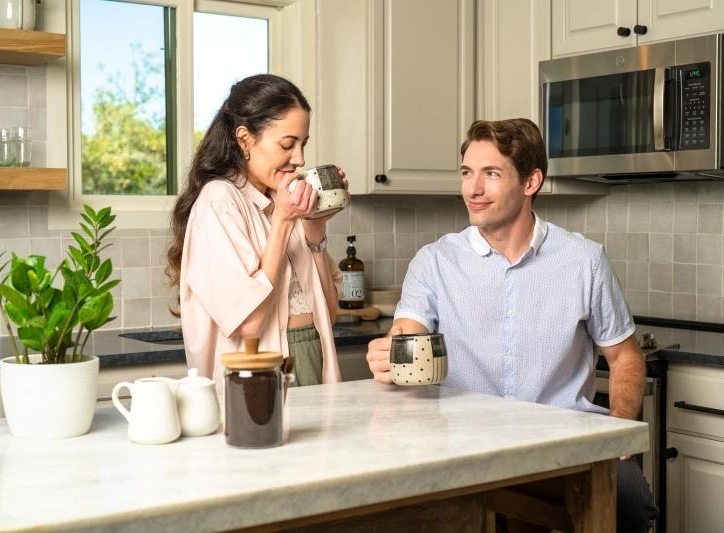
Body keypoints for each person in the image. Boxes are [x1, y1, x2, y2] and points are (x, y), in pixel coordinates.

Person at [366, 118, 659, 532]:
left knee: (628, 499)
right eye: (467, 173)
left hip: (567, 442)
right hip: (463, 444)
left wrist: (620, 428)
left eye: (491, 174)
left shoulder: (584, 261)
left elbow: (624, 355)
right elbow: (408, 335)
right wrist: (390, 355)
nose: (473, 189)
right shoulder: (434, 261)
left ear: (531, 181)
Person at [166, 74, 345, 391]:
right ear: (245, 139)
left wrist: (315, 228)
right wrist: (284, 222)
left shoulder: (283, 201)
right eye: (287, 145)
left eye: (303, 145)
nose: (300, 159)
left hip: (310, 360)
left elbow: (328, 316)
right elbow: (249, 325)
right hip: (259, 376)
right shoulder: (219, 203)